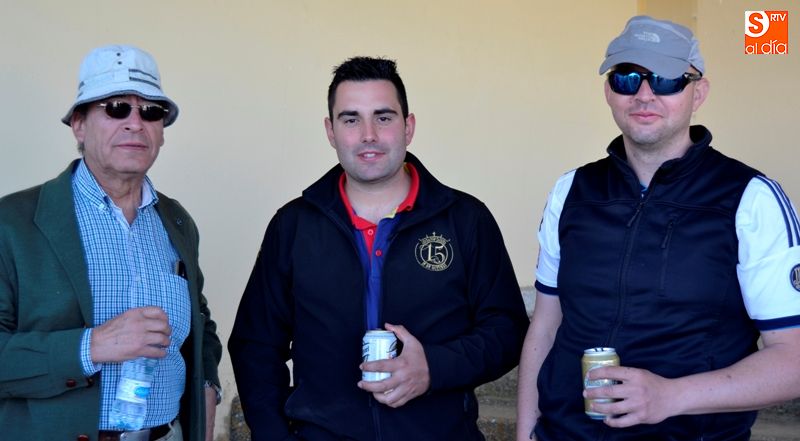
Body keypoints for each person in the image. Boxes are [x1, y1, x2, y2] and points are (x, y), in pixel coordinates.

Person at [516, 15, 800, 441]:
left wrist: (671, 396)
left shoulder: (751, 198)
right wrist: (525, 433)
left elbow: (793, 360)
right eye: (627, 78)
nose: (644, 94)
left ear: (698, 92)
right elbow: (545, 326)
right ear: (608, 92)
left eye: (667, 79)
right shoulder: (572, 191)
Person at [228, 56, 529, 441]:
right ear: (331, 131)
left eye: (383, 117)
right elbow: (255, 344)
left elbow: (507, 331)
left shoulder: (465, 219)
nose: (368, 134)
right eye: (351, 119)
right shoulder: (293, 226)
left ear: (409, 127)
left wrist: (434, 368)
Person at [0, 45, 223, 441]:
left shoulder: (177, 222)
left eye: (151, 111)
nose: (135, 123)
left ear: (161, 131)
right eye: (116, 108)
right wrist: (92, 346)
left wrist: (208, 391)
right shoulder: (13, 222)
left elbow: (200, 323)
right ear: (79, 125)